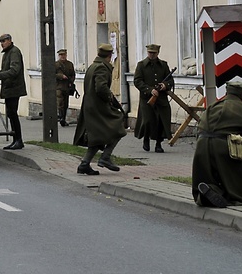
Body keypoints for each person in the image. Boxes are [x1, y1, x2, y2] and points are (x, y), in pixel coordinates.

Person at [192, 81, 242, 208]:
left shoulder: (212, 106)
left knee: (213, 175)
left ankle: (211, 191)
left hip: (201, 148)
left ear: (227, 92)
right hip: (224, 148)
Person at [73, 43, 127, 175]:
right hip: (98, 107)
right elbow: (101, 88)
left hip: (91, 106)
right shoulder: (102, 68)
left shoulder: (93, 66)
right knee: (118, 127)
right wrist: (111, 100)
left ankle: (84, 164)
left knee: (97, 136)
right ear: (110, 55)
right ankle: (105, 157)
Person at [133, 44, 175, 153]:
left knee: (161, 120)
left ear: (158, 53)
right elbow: (137, 81)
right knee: (147, 120)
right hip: (146, 98)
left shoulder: (163, 65)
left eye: (154, 53)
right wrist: (149, 90)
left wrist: (164, 85)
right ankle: (146, 139)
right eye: (150, 53)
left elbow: (170, 80)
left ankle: (158, 144)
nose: (152, 55)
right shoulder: (141, 65)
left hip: (161, 98)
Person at [0, 33, 27, 150]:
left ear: (9, 40)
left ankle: (19, 140)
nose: (2, 44)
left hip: (14, 88)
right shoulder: (7, 53)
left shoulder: (14, 52)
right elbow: (6, 70)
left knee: (13, 114)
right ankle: (15, 140)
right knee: (10, 114)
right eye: (1, 42)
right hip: (9, 89)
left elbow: (14, 70)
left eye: (3, 41)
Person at [55, 49, 76, 127]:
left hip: (67, 86)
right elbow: (52, 74)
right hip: (58, 86)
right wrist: (61, 76)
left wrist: (71, 82)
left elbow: (73, 74)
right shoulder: (56, 64)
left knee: (66, 103)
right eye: (61, 55)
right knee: (60, 102)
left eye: (64, 55)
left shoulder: (69, 64)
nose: (62, 56)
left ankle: (63, 118)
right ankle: (61, 118)